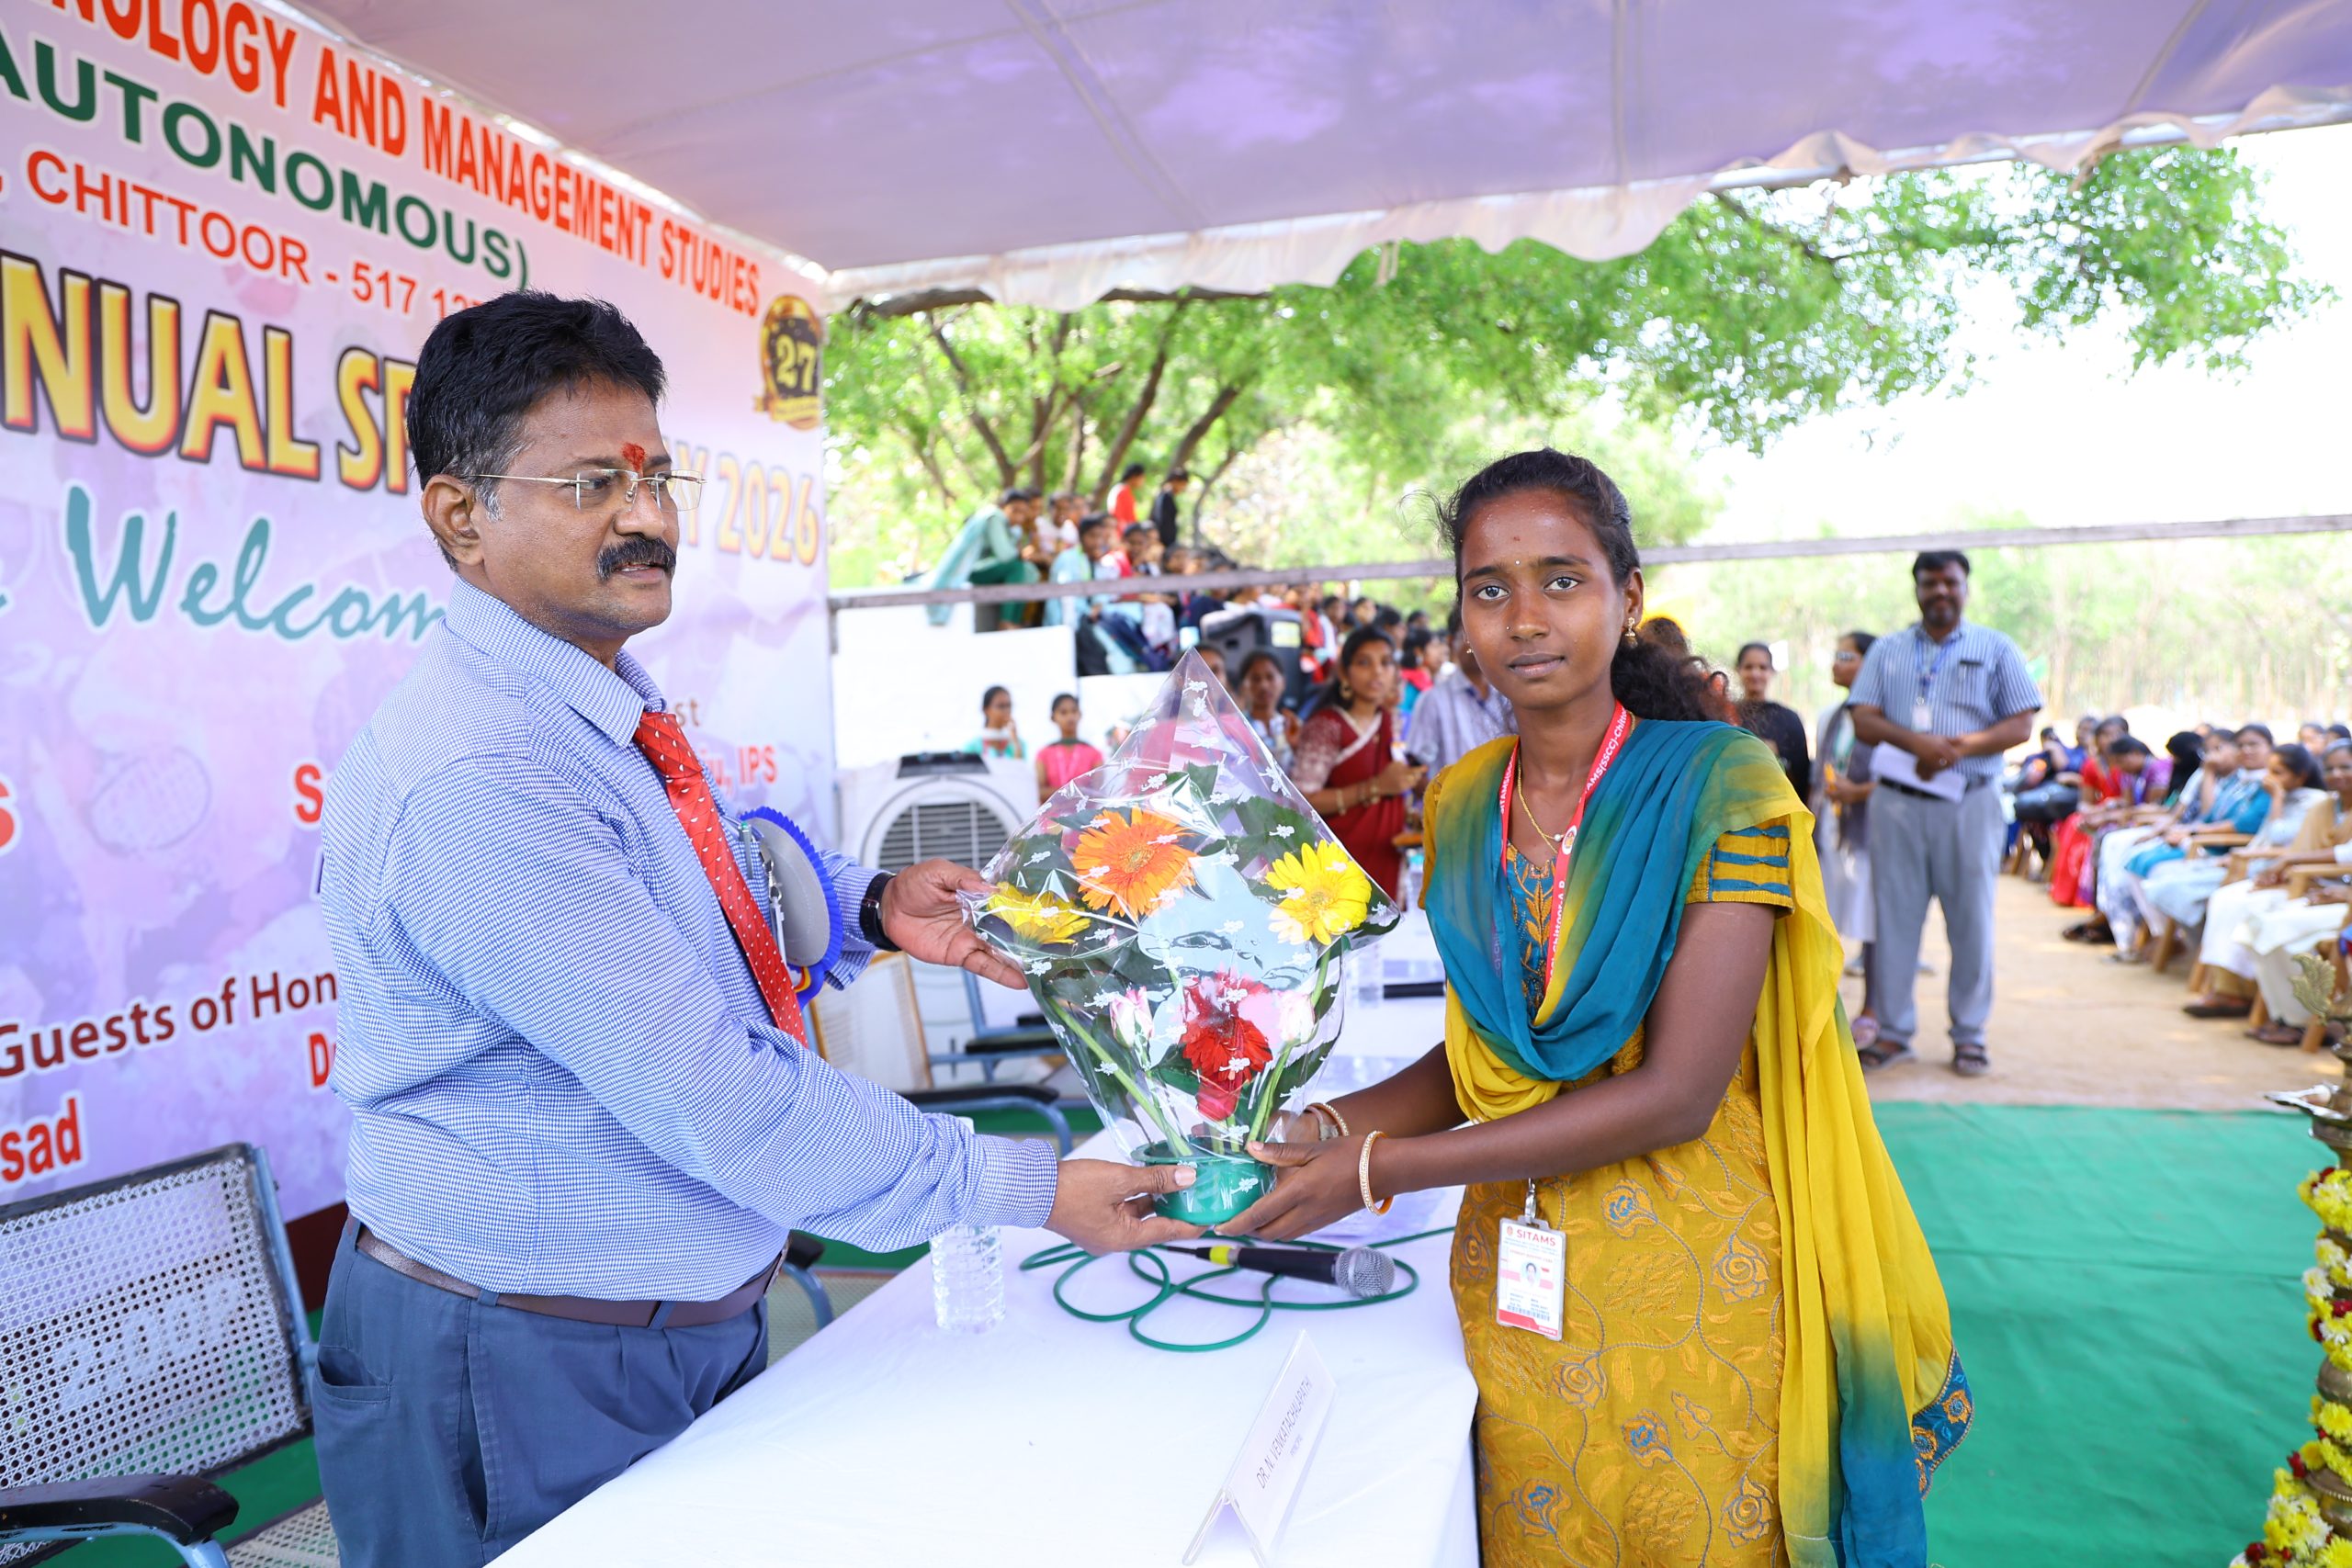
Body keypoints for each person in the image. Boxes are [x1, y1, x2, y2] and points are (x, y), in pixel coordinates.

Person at [312, 293, 1195, 1568]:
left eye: (655, 477)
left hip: (666, 1327)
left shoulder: (594, 698)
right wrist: (1031, 1188)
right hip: (516, 1361)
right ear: (461, 516)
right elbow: (719, 1097)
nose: (647, 517)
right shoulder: (480, 773)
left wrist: (872, 906)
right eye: (592, 485)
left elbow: (718, 882)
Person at [1221, 447, 1968, 1567]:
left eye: (1561, 580)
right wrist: (1320, 1127)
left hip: (1700, 1280)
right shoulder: (1462, 800)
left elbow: (1677, 1093)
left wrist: (1377, 1171)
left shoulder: (1722, 783)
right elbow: (1486, 1056)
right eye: (1488, 589)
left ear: (1626, 599)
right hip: (1519, 1277)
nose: (1524, 618)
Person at [1849, 549, 2042, 1076]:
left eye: (1950, 583)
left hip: (1971, 802)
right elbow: (1863, 718)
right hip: (1897, 804)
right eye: (1930, 583)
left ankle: (1969, 1035)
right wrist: (1917, 744)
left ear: (1965, 587)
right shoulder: (1887, 650)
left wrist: (1959, 748)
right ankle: (1893, 1033)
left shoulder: (1996, 647)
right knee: (1894, 921)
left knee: (1971, 921)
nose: (1941, 591)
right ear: (1917, 589)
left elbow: (2021, 724)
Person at [2189, 739, 2352, 1028]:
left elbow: (2337, 854)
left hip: (2334, 893)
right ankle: (2262, 1004)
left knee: (2272, 927)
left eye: (2345, 767)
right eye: (2330, 768)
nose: (2337, 774)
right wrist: (2283, 874)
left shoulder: (2310, 799)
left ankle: (2304, 1021)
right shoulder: (2324, 807)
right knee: (2240, 909)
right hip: (2312, 883)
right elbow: (2287, 845)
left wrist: (2293, 865)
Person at [2147, 740, 2327, 963]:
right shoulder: (2278, 793)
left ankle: (2216, 964)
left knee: (2209, 896)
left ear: (2300, 776)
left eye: (2277, 772)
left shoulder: (2312, 801)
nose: (2269, 777)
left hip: (2270, 868)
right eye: (2269, 771)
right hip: (2252, 861)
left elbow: (2277, 836)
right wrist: (2231, 857)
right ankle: (2205, 957)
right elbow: (2261, 838)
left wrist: (2277, 798)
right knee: (2165, 880)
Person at [1291, 627, 1425, 898]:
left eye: (1385, 662)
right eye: (1364, 662)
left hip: (1387, 855)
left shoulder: (1391, 720)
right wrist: (1376, 787)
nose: (1377, 672)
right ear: (1344, 673)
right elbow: (1300, 800)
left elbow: (1391, 786)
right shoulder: (1327, 726)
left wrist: (1410, 814)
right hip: (1339, 863)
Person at [1815, 631, 1883, 1054]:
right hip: (1830, 829)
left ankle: (1872, 1010)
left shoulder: (1886, 719)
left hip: (1870, 834)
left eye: (1847, 655)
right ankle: (1825, 1008)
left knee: (1874, 922)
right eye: (1836, 655)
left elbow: (1899, 776)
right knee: (1828, 920)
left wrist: (1859, 792)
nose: (1836, 663)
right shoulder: (1830, 717)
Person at [1401, 608, 1516, 775]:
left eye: (1486, 633)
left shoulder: (1510, 694)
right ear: (1450, 641)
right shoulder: (1433, 700)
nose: (1477, 643)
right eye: (1467, 635)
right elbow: (1416, 764)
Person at [925, 485, 1046, 630]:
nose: (1019, 517)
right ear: (1003, 506)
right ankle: (1006, 621)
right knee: (1017, 567)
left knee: (1029, 571)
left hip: (986, 569)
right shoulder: (994, 517)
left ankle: (1016, 620)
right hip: (970, 571)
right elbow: (1005, 555)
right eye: (1015, 511)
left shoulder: (1013, 528)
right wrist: (1022, 553)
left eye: (1023, 513)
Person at [1735, 641, 1813, 803]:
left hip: (1776, 806)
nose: (1755, 674)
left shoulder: (1789, 719)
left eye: (1763, 668)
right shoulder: (1723, 714)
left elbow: (1802, 775)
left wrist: (1775, 757)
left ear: (1772, 672)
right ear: (1738, 670)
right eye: (1749, 667)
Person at [1042, 512, 1115, 629]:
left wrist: (1097, 606)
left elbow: (1102, 593)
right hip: (1065, 622)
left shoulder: (1098, 561)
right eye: (1092, 536)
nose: (1097, 542)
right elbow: (1067, 599)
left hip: (1087, 618)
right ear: (1081, 536)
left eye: (1100, 537)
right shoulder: (1068, 558)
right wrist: (1089, 612)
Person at [1237, 649, 1301, 769]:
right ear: (1243, 686)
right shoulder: (1235, 727)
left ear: (1283, 682)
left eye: (1270, 677)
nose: (1264, 685)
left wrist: (1297, 747)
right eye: (1256, 679)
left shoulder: (1293, 726)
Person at [1035, 693, 1105, 795]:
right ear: (1053, 717)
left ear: (1080, 714)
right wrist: (1073, 793)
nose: (1070, 717)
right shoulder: (1044, 754)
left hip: (1084, 806)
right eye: (1063, 712)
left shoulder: (1094, 753)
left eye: (1074, 711)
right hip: (1056, 806)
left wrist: (1066, 793)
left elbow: (1099, 791)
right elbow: (1039, 792)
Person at [964, 685, 1026, 761]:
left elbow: (1020, 766)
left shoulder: (1018, 744)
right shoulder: (972, 747)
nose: (1006, 711)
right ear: (986, 710)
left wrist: (1016, 744)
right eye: (1001, 706)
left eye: (1009, 706)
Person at [1150, 466, 1191, 550]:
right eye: (1182, 484)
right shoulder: (1165, 497)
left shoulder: (1168, 496)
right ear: (1175, 481)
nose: (1183, 488)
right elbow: (1160, 520)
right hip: (1163, 542)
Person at [1110, 461, 1147, 525]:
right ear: (1134, 476)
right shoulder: (1121, 491)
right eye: (1142, 477)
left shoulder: (1125, 490)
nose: (1143, 481)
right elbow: (1117, 517)